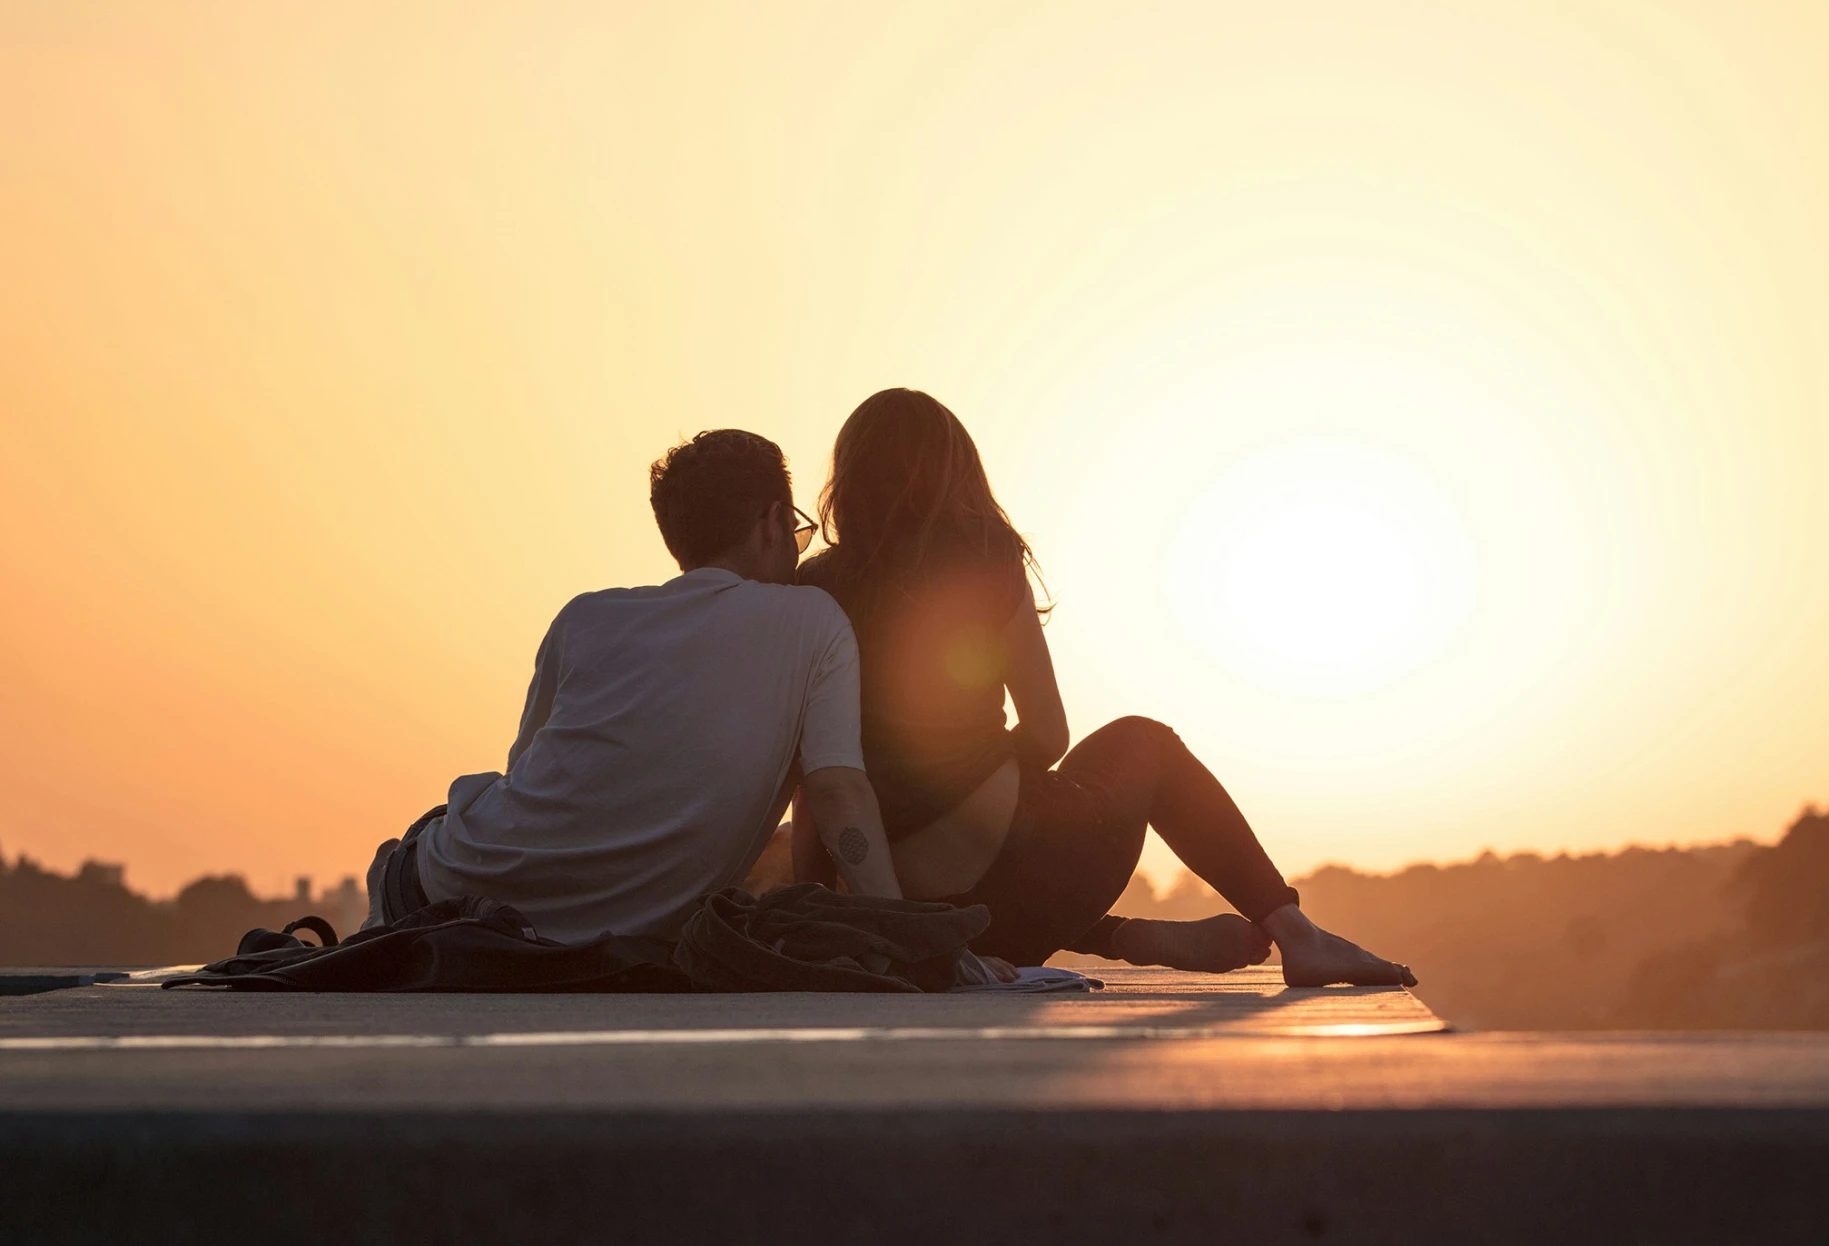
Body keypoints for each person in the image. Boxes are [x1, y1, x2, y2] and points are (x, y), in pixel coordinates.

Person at [793, 388, 1416, 987]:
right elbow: (1048, 733)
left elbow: (813, 781)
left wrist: (833, 910)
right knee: (1146, 743)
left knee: (980, 875)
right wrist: (983, 771)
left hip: (917, 914)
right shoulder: (984, 556)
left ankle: (1116, 936)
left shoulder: (812, 589)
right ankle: (1296, 935)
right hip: (1024, 877)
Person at [361, 429, 907, 943]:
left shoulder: (585, 618)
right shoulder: (814, 620)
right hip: (589, 931)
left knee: (444, 826)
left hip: (449, 890)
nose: (796, 550)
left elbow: (530, 778)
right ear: (773, 521)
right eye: (796, 532)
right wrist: (912, 941)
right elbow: (837, 793)